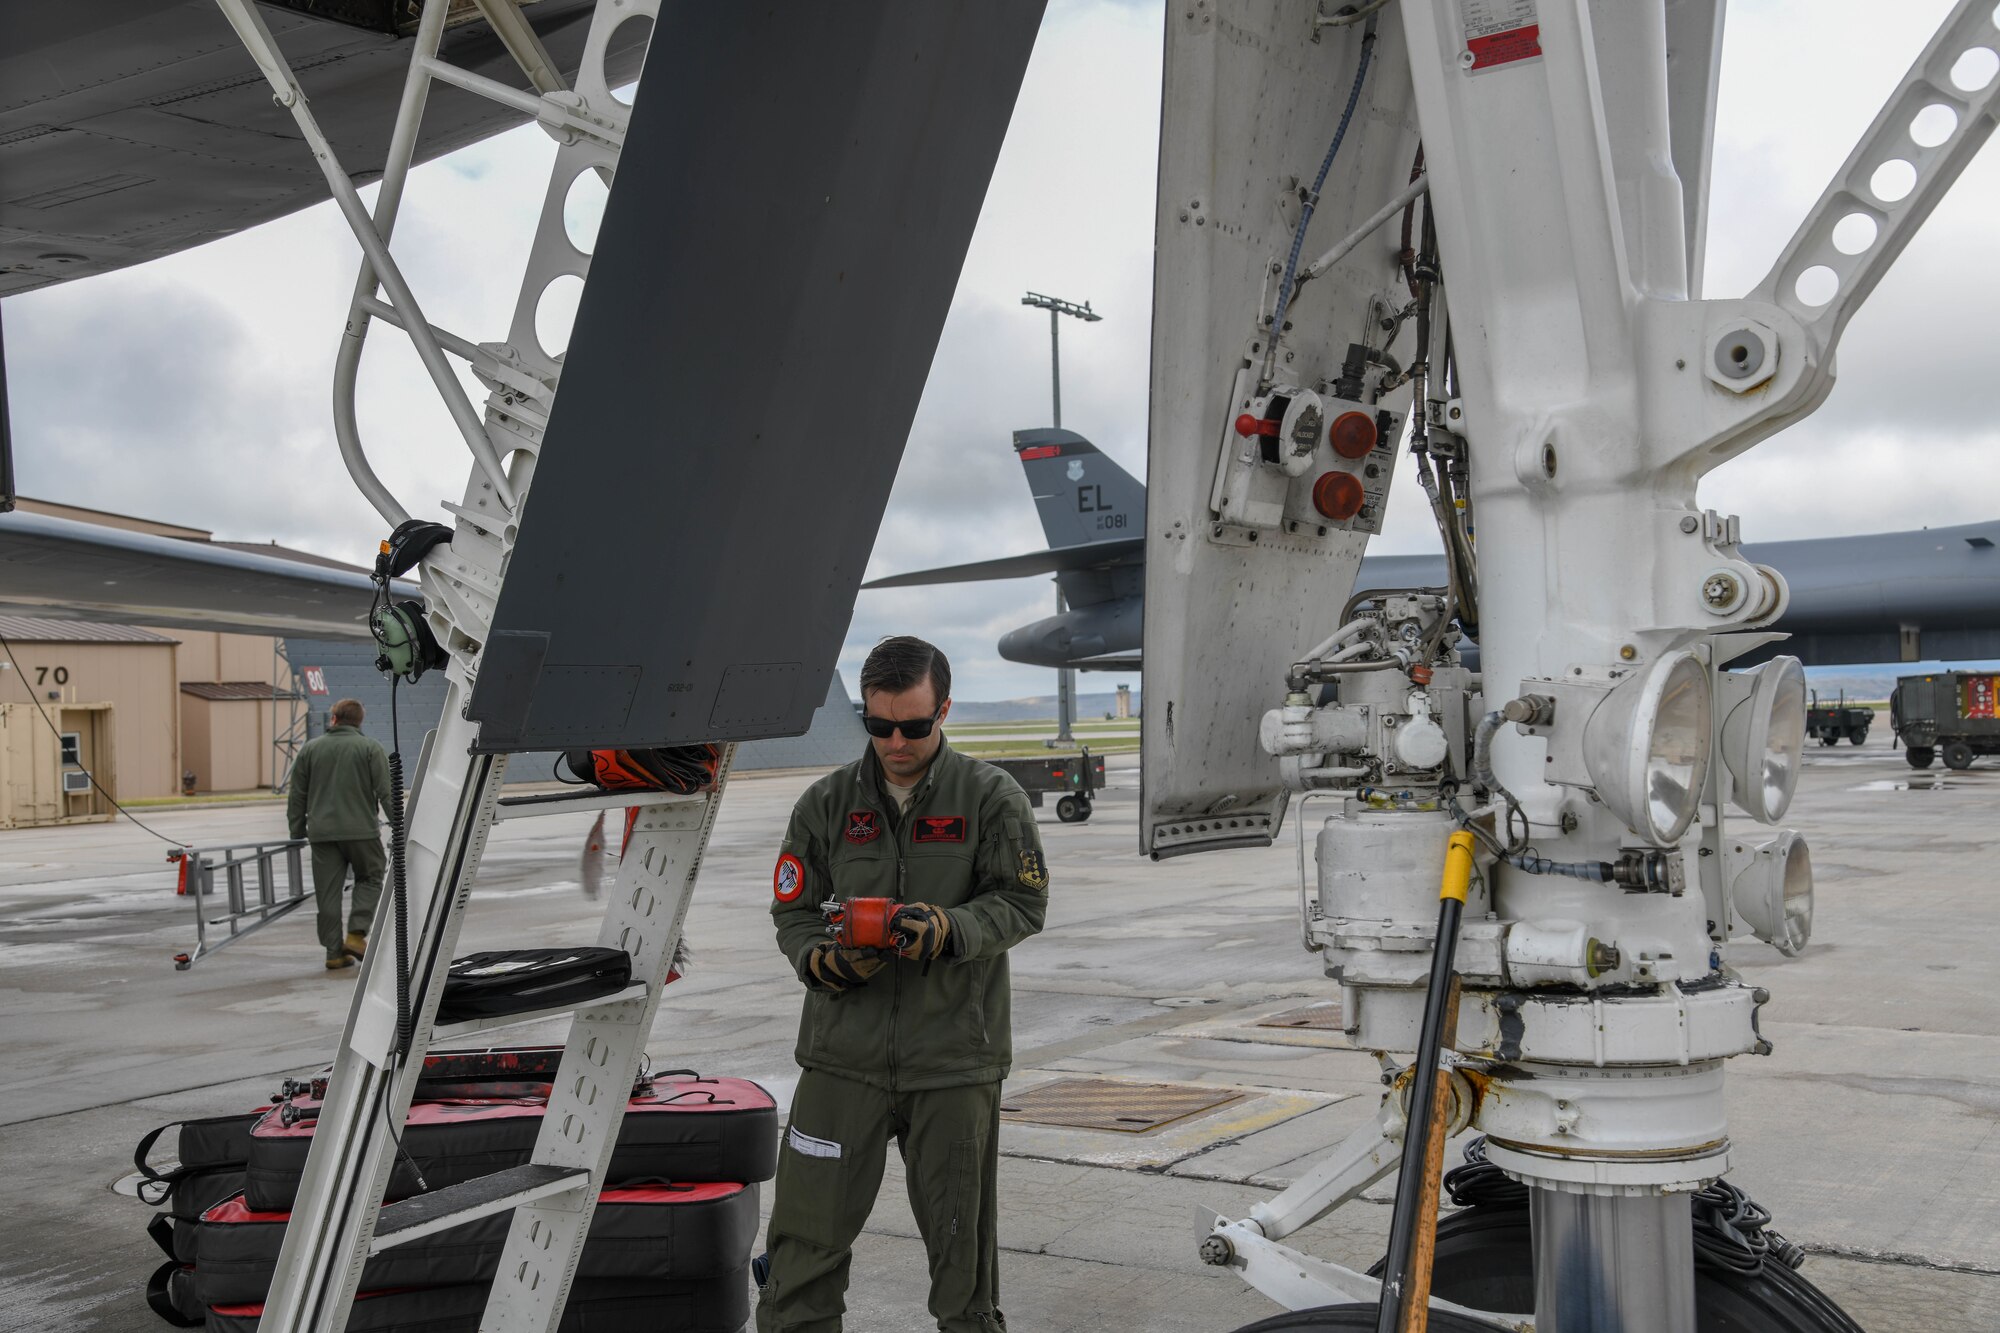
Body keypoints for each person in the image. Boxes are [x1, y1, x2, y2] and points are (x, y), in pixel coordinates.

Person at [757, 636, 1050, 1333]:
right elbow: (793, 910)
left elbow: (1022, 902)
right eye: (879, 724)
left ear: (943, 709)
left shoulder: (991, 798)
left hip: (952, 1062)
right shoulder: (826, 804)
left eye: (914, 726)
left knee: (962, 1262)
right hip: (841, 1060)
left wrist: (950, 929)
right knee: (802, 1251)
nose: (895, 741)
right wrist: (819, 961)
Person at [286, 698, 391, 971]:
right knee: (370, 877)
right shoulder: (370, 748)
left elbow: (297, 794)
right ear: (359, 721)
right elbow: (385, 791)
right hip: (361, 832)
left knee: (328, 893)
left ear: (333, 719)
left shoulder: (310, 750)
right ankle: (356, 935)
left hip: (322, 834)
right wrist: (401, 826)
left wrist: (296, 830)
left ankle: (333, 953)